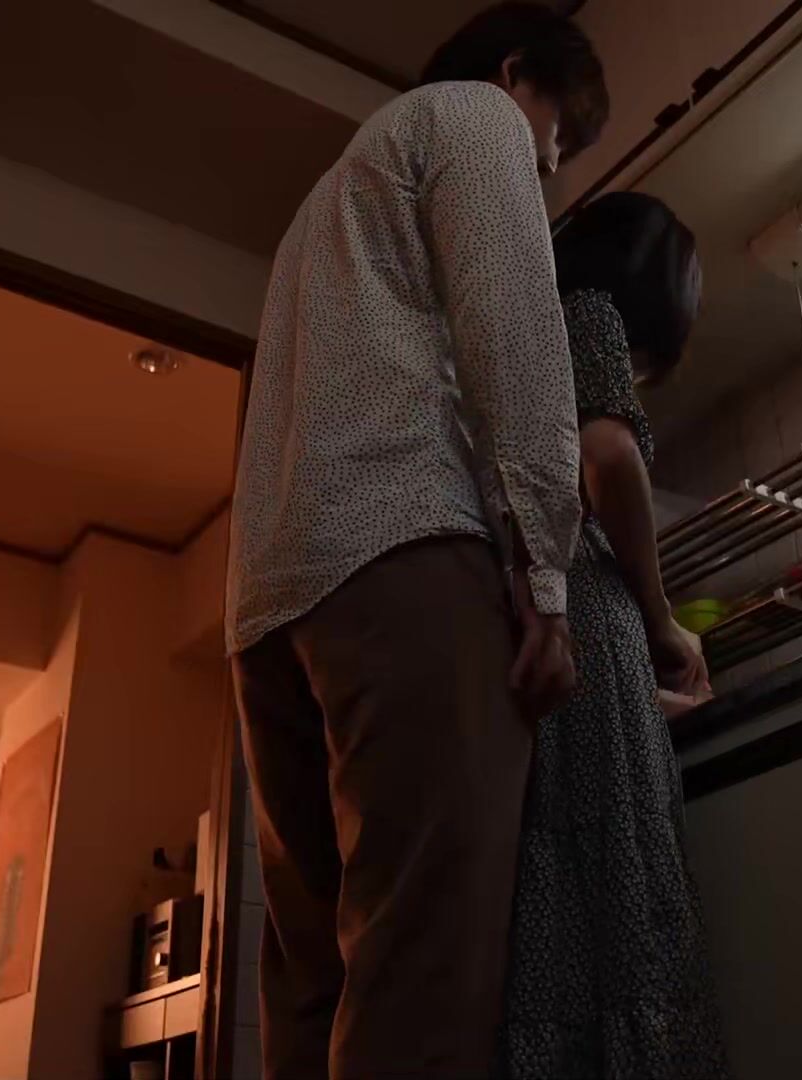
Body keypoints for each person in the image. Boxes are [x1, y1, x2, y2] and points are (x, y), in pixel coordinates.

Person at [223, 4, 610, 1076]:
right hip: (405, 561)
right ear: (518, 73)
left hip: (269, 610)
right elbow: (515, 336)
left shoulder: (323, 206)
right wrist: (546, 577)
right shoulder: (473, 117)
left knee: (317, 980)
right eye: (553, 142)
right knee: (422, 972)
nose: (544, 169)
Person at [502, 191, 730, 1078]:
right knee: (630, 906)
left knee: (566, 909)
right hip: (588, 613)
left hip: (556, 649)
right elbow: (608, 456)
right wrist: (663, 620)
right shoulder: (585, 315)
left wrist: (647, 704)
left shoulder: (516, 345)